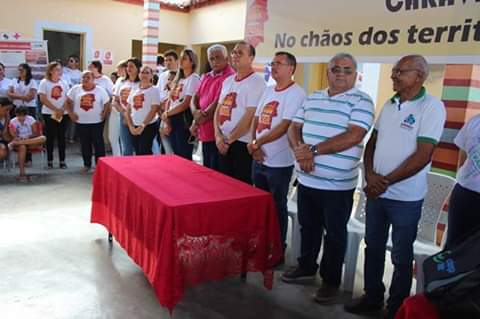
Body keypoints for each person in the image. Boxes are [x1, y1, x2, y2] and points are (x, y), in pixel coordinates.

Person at [344, 55, 446, 319]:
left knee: (401, 256)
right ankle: (372, 297)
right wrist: (369, 176)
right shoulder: (389, 105)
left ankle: (396, 306)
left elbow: (423, 155)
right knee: (373, 247)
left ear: (419, 76)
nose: (394, 76)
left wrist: (384, 182)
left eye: (401, 72)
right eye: (394, 71)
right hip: (376, 193)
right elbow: (371, 144)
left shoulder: (432, 107)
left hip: (405, 199)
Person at [282, 53, 374, 305]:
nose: (340, 73)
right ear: (328, 72)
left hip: (338, 185)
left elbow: (354, 136)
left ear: (355, 74)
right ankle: (306, 266)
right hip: (308, 180)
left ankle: (330, 281)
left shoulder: (362, 101)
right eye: (335, 69)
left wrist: (312, 151)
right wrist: (300, 151)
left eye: (347, 70)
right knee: (308, 227)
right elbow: (293, 128)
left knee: (334, 234)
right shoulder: (313, 97)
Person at [247, 51, 306, 255]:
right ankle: (262, 243)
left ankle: (278, 249)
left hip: (279, 163)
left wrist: (257, 143)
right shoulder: (269, 90)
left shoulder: (297, 93)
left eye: (278, 63)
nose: (273, 67)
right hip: (259, 157)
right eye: (272, 63)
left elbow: (285, 126)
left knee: (276, 207)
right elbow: (256, 117)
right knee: (261, 206)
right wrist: (255, 144)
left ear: (291, 68)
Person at [213, 41, 266, 184]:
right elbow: (218, 110)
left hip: (241, 144)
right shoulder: (228, 81)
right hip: (223, 141)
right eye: (234, 52)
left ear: (251, 58)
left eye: (240, 53)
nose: (235, 55)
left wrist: (228, 140)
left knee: (239, 188)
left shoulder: (257, 82)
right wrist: (218, 136)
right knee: (222, 186)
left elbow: (250, 116)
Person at [190, 44, 234, 170]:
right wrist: (195, 115)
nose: (215, 61)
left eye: (218, 57)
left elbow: (217, 103)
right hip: (204, 131)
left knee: (217, 173)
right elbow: (195, 96)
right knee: (207, 169)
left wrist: (200, 118)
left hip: (219, 134)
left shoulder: (230, 77)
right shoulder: (206, 76)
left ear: (226, 59)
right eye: (212, 59)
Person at [445, 114, 480, 247]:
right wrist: (458, 181)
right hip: (464, 194)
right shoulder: (475, 121)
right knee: (453, 248)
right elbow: (463, 155)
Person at [66, 71, 110, 174]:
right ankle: (87, 164)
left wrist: (104, 113)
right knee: (85, 144)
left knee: (98, 144)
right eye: (83, 77)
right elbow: (67, 102)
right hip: (81, 122)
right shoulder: (75, 89)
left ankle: (100, 166)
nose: (85, 79)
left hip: (97, 122)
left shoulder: (100, 90)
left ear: (93, 79)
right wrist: (71, 114)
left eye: (88, 77)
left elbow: (107, 103)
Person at [161, 49, 200, 160]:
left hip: (183, 120)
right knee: (175, 153)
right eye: (181, 58)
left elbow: (186, 103)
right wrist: (167, 118)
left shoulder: (194, 79)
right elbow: (170, 99)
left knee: (183, 154)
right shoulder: (180, 79)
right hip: (172, 117)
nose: (181, 61)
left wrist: (167, 113)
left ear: (192, 62)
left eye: (184, 58)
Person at [38, 61, 70, 169]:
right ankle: (50, 160)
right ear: (51, 71)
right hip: (49, 113)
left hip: (62, 113)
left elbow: (67, 98)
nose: (59, 72)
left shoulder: (64, 82)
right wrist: (56, 109)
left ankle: (62, 160)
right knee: (50, 137)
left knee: (62, 137)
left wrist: (62, 109)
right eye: (56, 69)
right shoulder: (44, 82)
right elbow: (43, 98)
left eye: (60, 69)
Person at [125, 66, 160, 155]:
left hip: (148, 126)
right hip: (134, 126)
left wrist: (142, 126)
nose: (144, 75)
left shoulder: (154, 90)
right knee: (137, 151)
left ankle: (147, 169)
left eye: (147, 72)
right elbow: (128, 110)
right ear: (139, 74)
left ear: (152, 75)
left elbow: (154, 110)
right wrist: (131, 127)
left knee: (144, 151)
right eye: (142, 72)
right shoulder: (134, 89)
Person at [8, 106, 46, 181]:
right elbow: (13, 135)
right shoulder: (12, 121)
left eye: (23, 115)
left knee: (43, 138)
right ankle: (22, 173)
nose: (21, 117)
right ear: (16, 114)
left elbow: (35, 133)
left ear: (26, 115)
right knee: (22, 147)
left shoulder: (31, 119)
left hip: (30, 141)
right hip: (19, 143)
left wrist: (28, 137)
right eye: (19, 115)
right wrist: (18, 138)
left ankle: (21, 142)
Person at [115, 58, 141, 156]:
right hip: (124, 116)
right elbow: (115, 101)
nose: (128, 68)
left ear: (138, 68)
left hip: (138, 117)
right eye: (127, 66)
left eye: (131, 66)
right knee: (126, 146)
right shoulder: (121, 82)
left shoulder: (141, 83)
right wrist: (125, 113)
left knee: (140, 147)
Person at [156, 50, 179, 154]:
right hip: (162, 113)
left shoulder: (182, 75)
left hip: (175, 113)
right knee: (163, 146)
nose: (168, 62)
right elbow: (159, 94)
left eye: (170, 60)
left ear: (177, 61)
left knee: (175, 147)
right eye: (166, 60)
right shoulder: (162, 76)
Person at [0, 97, 12, 161]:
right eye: (6, 109)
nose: (8, 112)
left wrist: (7, 121)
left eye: (9, 110)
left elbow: (6, 137)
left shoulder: (7, 118)